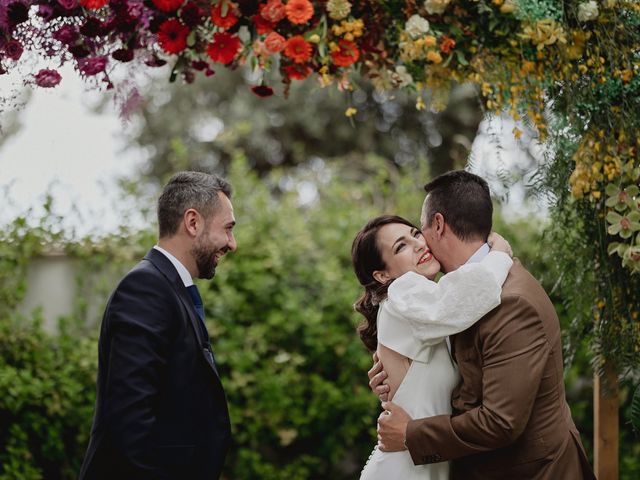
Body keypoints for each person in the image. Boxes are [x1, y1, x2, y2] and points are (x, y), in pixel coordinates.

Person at [372, 170, 595, 479]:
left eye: (418, 230)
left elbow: (501, 422)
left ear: (438, 224)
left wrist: (411, 434)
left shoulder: (511, 303)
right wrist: (398, 378)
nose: (419, 243)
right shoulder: (450, 299)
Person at [79, 171, 237, 480]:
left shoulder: (169, 288)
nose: (232, 244)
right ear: (193, 223)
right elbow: (130, 424)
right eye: (228, 229)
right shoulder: (146, 289)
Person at [351, 215, 514, 479]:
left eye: (415, 234)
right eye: (400, 247)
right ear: (383, 275)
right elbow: (466, 297)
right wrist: (499, 254)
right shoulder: (401, 293)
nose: (417, 244)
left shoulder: (420, 308)